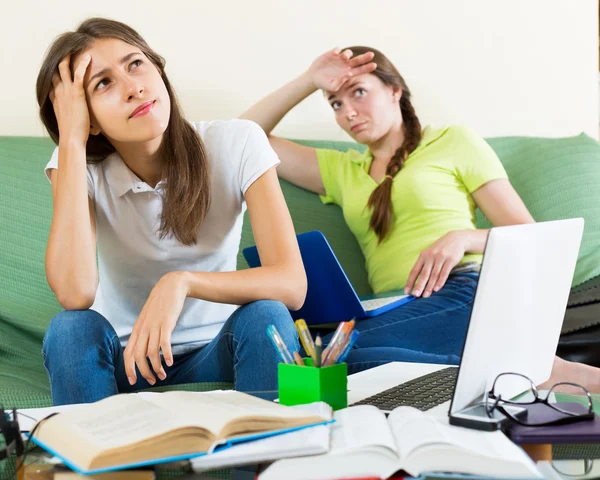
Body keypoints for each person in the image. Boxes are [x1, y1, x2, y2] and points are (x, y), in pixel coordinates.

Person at [241, 46, 600, 392]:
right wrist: (309, 80)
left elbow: (531, 236)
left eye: (359, 93)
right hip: (394, 308)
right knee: (318, 360)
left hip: (463, 289)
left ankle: (522, 367)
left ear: (395, 90)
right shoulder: (341, 169)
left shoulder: (452, 141)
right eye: (336, 103)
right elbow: (242, 137)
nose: (347, 111)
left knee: (321, 364)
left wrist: (463, 238)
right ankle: (524, 369)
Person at [36, 17, 306, 405]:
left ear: (157, 68)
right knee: (70, 329)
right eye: (103, 83)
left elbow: (292, 285)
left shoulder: (238, 142)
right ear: (86, 116)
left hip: (218, 349)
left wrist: (180, 282)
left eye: (135, 64)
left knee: (268, 317)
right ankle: (105, 463)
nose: (134, 87)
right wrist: (72, 142)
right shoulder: (77, 166)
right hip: (125, 362)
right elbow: (75, 292)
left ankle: (261, 462)